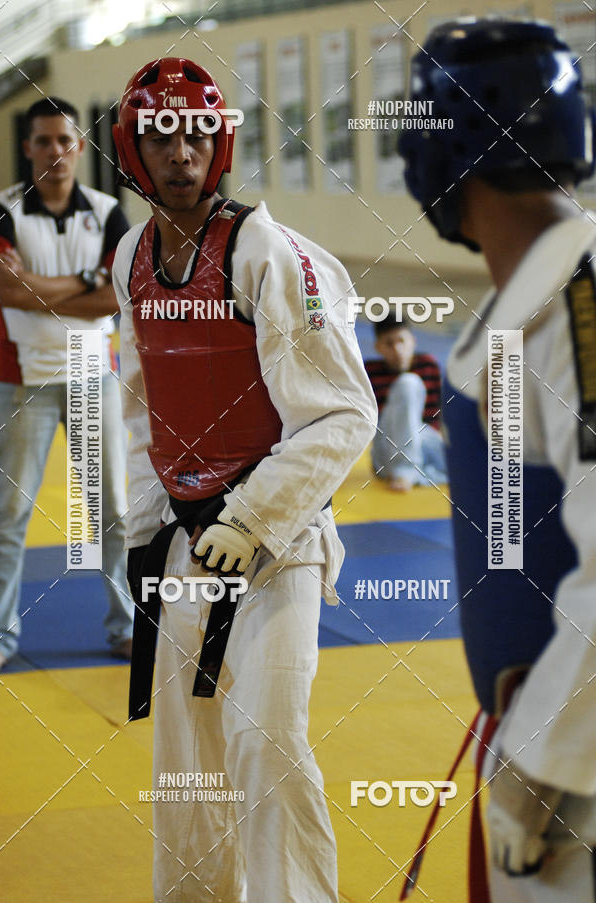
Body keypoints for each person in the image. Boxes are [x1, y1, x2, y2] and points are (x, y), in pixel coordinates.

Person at [111, 58, 377, 902]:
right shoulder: (130, 258)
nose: (181, 153)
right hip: (182, 544)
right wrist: (143, 528)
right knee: (187, 764)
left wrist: (252, 518)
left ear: (219, 145)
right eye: (162, 137)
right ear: (132, 149)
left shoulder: (266, 252)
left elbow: (343, 413)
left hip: (277, 547)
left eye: (197, 134)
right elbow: (139, 405)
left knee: (266, 742)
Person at [399, 17, 596, 902]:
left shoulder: (579, 303)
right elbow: (517, 516)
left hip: (573, 771)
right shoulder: (528, 306)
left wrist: (540, 757)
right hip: (538, 727)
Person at [0, 96, 134, 671]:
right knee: (8, 515)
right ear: (28, 147)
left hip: (91, 372)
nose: (55, 150)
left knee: (113, 512)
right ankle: (0, 637)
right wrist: (84, 280)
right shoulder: (3, 209)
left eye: (64, 140)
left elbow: (116, 297)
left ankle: (127, 627)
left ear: (79, 146)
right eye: (44, 140)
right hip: (19, 378)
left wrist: (39, 287)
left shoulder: (108, 211)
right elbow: (5, 291)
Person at [364, 313, 446, 491]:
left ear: (413, 341)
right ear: (378, 347)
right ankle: (405, 471)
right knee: (408, 383)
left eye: (401, 341)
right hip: (388, 448)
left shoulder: (428, 365)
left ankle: (419, 474)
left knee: (471, 461)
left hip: (422, 442)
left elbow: (438, 418)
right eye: (389, 343)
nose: (397, 349)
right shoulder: (368, 372)